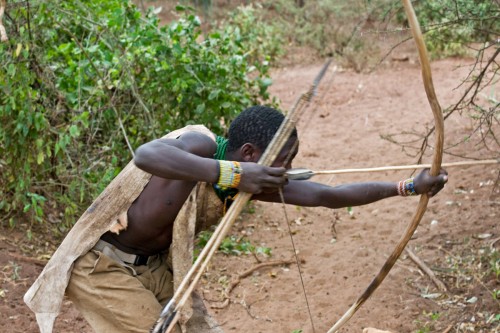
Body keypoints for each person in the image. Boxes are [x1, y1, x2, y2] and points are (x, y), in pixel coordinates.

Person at [26, 105, 448, 333]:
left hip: (157, 270)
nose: (283, 171)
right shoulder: (201, 146)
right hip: (102, 266)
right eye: (281, 161)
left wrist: (407, 187)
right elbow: (146, 154)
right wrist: (229, 173)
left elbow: (327, 195)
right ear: (248, 152)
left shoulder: (250, 181)